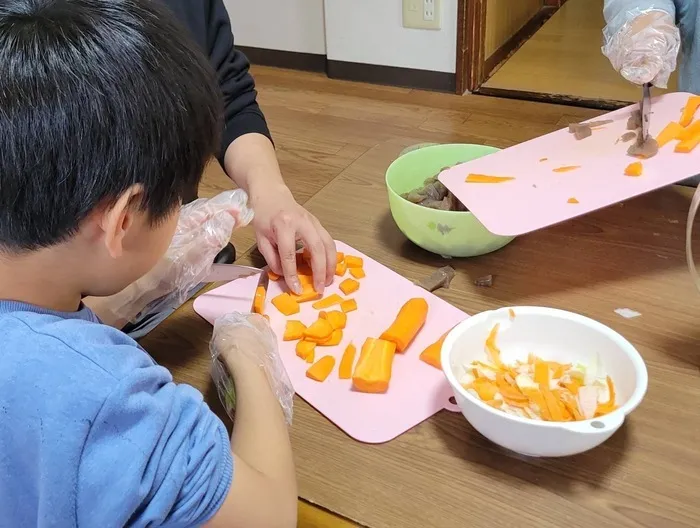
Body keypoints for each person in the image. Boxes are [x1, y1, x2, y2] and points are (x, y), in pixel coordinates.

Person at [0, 1, 297, 526]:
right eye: (175, 203)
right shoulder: (106, 398)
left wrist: (113, 299)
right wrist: (250, 360)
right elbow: (269, 514)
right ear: (121, 219)